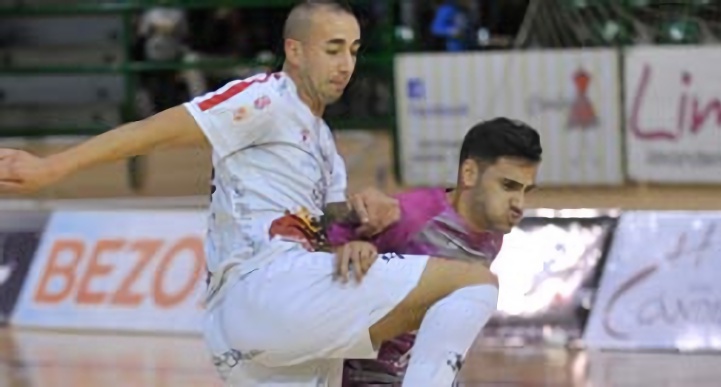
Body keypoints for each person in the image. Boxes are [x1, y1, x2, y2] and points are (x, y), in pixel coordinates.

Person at [0, 1, 504, 386]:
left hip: (254, 335)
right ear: (295, 50)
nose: (346, 64)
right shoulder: (266, 98)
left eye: (353, 50)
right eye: (333, 49)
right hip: (265, 288)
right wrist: (53, 167)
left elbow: (324, 229)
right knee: (470, 282)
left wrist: (357, 219)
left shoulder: (325, 145)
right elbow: (155, 131)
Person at [332, 118, 542, 385]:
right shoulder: (408, 217)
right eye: (508, 186)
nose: (519, 204)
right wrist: (346, 245)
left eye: (526, 191)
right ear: (469, 174)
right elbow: (325, 256)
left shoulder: (493, 236)